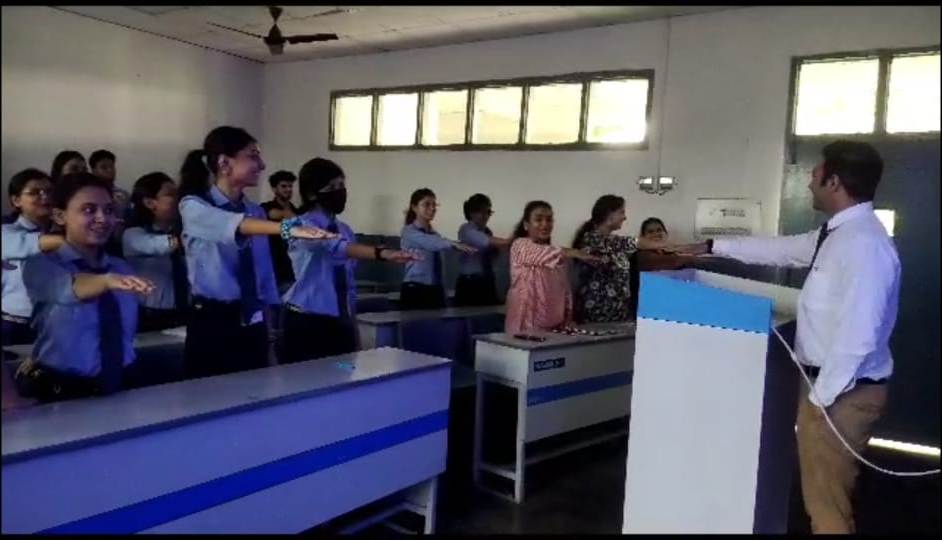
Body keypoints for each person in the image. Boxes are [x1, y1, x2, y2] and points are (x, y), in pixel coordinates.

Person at [681, 140, 899, 534]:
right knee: (823, 501)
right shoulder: (836, 234)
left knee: (827, 508)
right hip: (830, 390)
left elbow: (859, 336)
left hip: (840, 396)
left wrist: (819, 400)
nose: (810, 182)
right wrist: (711, 246)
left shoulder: (864, 244)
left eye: (816, 174)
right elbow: (782, 250)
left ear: (834, 182)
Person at [178, 126, 335, 379]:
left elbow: (263, 272)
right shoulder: (194, 206)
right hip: (212, 319)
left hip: (253, 316)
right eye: (253, 156)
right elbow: (236, 226)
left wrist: (270, 327)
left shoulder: (255, 212)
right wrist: (287, 228)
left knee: (255, 389)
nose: (261, 165)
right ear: (224, 163)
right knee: (208, 394)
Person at [16, 172, 156, 402]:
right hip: (64, 390)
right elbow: (69, 288)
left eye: (109, 210)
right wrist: (106, 281)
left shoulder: (121, 268)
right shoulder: (41, 265)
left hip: (123, 384)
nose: (102, 219)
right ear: (60, 216)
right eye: (89, 210)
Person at [282, 157, 417, 363]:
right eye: (332, 187)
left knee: (344, 374)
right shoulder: (299, 225)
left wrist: (353, 328)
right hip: (307, 320)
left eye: (342, 185)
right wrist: (380, 253)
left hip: (340, 321)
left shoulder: (345, 230)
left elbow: (348, 283)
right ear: (311, 194)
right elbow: (334, 246)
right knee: (309, 379)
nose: (340, 191)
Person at [572, 195, 673, 323]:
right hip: (598, 314)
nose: (625, 217)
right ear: (609, 215)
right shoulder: (594, 240)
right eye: (621, 212)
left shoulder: (612, 242)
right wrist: (671, 246)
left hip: (616, 313)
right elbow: (633, 242)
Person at [505, 200, 601, 335]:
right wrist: (575, 252)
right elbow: (542, 253)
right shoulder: (520, 245)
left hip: (552, 325)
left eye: (549, 220)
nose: (545, 224)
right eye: (538, 220)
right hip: (524, 325)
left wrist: (567, 318)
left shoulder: (557, 257)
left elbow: (565, 290)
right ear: (526, 225)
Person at [2, 169, 64, 345]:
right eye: (35, 192)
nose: (45, 197)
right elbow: (30, 244)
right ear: (16, 200)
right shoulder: (7, 232)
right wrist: (75, 239)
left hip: (56, 323)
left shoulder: (63, 231)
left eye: (49, 191)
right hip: (15, 324)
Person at [122, 172, 189, 332]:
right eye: (170, 194)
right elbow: (159, 245)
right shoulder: (133, 235)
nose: (178, 199)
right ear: (149, 202)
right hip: (149, 317)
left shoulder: (181, 232)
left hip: (184, 312)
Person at [399, 188, 475, 310]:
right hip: (415, 288)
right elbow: (430, 243)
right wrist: (453, 244)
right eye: (426, 204)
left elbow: (437, 243)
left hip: (435, 289)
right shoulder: (409, 231)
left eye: (434, 205)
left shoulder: (435, 234)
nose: (432, 208)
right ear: (414, 207)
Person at [627, 217, 693, 318]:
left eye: (659, 230)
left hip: (668, 304)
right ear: (643, 237)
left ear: (665, 233)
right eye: (650, 232)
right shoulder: (642, 255)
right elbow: (674, 263)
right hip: (646, 309)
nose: (656, 234)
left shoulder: (668, 253)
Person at [454, 193, 511, 306]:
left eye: (488, 212)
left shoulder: (488, 231)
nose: (485, 216)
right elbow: (483, 240)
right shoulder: (466, 229)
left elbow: (494, 254)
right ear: (471, 213)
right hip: (470, 283)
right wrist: (512, 241)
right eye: (481, 212)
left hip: (487, 280)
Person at [260, 170, 299, 293]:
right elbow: (274, 213)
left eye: (290, 186)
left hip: (295, 270)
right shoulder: (265, 207)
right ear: (274, 189)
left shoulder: (297, 211)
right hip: (276, 272)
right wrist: (296, 219)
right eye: (283, 186)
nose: (288, 189)